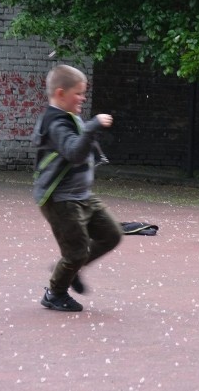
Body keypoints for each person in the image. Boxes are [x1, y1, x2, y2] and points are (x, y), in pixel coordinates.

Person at [32, 64, 123, 312]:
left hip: (82, 196)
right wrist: (93, 126)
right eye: (78, 93)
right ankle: (55, 293)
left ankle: (71, 269)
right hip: (60, 200)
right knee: (76, 251)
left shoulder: (69, 117)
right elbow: (73, 151)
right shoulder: (55, 123)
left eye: (84, 93)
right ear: (60, 94)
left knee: (111, 234)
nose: (83, 98)